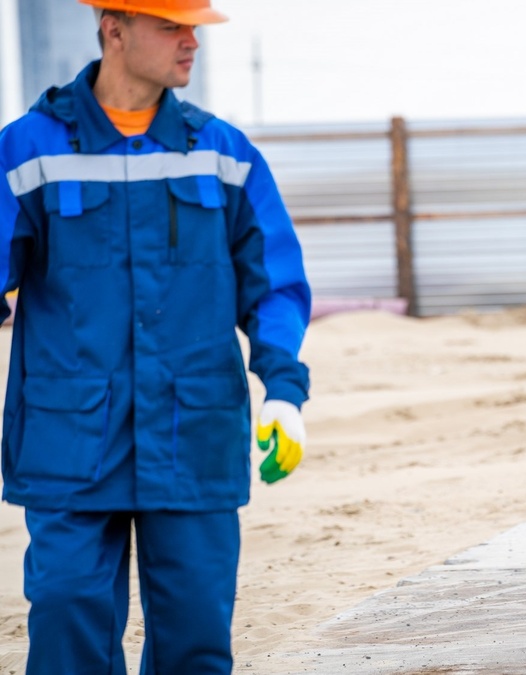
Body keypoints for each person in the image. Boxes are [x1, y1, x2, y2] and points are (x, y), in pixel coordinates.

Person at [0, 1, 311, 672]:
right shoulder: (29, 149)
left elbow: (274, 285)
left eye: (193, 26)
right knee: (66, 616)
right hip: (68, 441)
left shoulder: (222, 153)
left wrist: (284, 390)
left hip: (192, 434)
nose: (191, 40)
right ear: (114, 28)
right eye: (171, 25)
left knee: (195, 636)